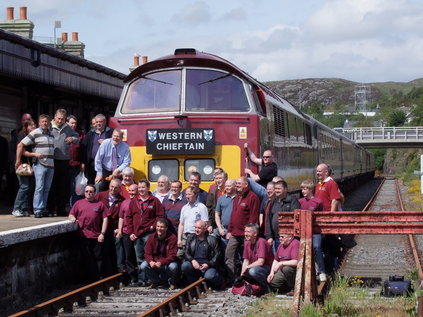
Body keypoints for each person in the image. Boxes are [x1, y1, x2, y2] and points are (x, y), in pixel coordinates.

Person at [125, 179, 164, 285]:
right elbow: (128, 217)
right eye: (140, 187)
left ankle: (152, 279)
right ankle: (142, 280)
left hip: (149, 233)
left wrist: (153, 226)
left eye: (143, 187)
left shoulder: (154, 201)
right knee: (139, 258)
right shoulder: (134, 201)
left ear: (148, 188)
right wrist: (130, 232)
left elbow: (160, 216)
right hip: (137, 234)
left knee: (150, 256)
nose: (141, 189)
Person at [16, 114, 54, 218]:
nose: (45, 123)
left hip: (51, 165)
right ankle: (37, 210)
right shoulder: (35, 133)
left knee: (46, 188)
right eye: (43, 121)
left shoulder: (51, 134)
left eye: (46, 121)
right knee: (39, 187)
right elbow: (20, 145)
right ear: (39, 122)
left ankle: (43, 208)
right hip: (40, 164)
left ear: (49, 122)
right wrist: (18, 160)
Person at [69, 184, 109, 281]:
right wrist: (73, 218)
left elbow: (105, 219)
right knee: (86, 257)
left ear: (94, 193)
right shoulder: (78, 203)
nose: (88, 193)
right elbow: (71, 214)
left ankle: (99, 276)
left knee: (98, 257)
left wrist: (102, 233)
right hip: (83, 235)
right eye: (87, 191)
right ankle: (87, 278)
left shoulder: (100, 204)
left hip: (96, 236)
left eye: (91, 191)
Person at [225, 176, 260, 283]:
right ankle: (232, 279)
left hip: (247, 234)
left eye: (239, 184)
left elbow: (253, 217)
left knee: (248, 257)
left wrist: (249, 232)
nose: (237, 186)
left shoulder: (253, 197)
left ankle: (248, 279)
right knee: (228, 255)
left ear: (246, 185)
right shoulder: (236, 197)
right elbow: (233, 215)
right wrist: (230, 230)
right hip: (235, 233)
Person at [48, 109, 79, 216]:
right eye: (58, 118)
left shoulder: (67, 128)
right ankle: (50, 209)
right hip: (51, 160)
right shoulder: (48, 127)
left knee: (62, 187)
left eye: (62, 119)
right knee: (51, 186)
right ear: (55, 116)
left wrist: (73, 139)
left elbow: (77, 137)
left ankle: (60, 209)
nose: (60, 121)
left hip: (64, 161)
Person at [181, 220, 224, 289]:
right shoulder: (191, 238)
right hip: (195, 265)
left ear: (204, 229)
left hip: (208, 266)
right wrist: (192, 260)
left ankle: (220, 282)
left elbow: (218, 255)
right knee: (185, 265)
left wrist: (208, 264)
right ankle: (195, 285)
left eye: (199, 228)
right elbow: (186, 252)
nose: (196, 230)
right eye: (195, 227)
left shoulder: (212, 239)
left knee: (210, 276)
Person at [95, 178, 125, 275]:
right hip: (100, 229)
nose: (113, 189)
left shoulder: (122, 200)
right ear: (109, 186)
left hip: (113, 229)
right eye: (112, 186)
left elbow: (123, 216)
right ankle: (101, 273)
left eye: (116, 188)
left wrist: (119, 229)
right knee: (101, 250)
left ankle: (119, 267)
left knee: (117, 243)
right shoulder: (100, 195)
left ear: (120, 189)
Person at [298, 180, 326, 282]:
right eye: (302, 189)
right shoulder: (300, 202)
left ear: (310, 189)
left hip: (315, 231)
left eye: (305, 189)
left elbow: (322, 217)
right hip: (304, 231)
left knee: (316, 247)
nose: (303, 191)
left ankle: (322, 271)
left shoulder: (318, 202)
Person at [141, 218, 179, 289]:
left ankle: (172, 283)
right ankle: (155, 281)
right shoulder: (151, 237)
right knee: (143, 265)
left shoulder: (172, 238)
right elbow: (147, 253)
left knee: (173, 266)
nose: (159, 229)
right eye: (158, 226)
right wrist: (151, 261)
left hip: (167, 262)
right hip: (155, 262)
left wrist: (161, 262)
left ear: (166, 228)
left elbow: (172, 255)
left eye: (161, 227)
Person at [266, 180, 300, 252]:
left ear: (285, 189)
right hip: (277, 237)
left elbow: (297, 218)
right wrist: (269, 236)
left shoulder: (293, 201)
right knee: (279, 257)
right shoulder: (273, 201)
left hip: (290, 238)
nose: (277, 191)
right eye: (275, 189)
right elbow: (268, 220)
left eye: (279, 189)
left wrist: (290, 235)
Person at [12, 119, 36, 217]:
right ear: (26, 126)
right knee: (24, 186)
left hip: (28, 164)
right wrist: (18, 161)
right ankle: (16, 208)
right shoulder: (22, 135)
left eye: (34, 125)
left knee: (28, 187)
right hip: (22, 164)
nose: (33, 127)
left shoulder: (32, 136)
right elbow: (20, 148)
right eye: (31, 125)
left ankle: (24, 209)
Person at [177, 186, 208, 259]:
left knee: (194, 256)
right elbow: (181, 224)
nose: (187, 196)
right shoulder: (184, 208)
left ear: (195, 194)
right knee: (180, 255)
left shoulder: (201, 207)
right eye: (186, 194)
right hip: (185, 236)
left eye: (189, 194)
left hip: (196, 236)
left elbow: (205, 223)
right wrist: (179, 239)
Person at [241, 223, 274, 291]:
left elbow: (261, 262)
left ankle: (267, 288)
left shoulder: (261, 242)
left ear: (255, 234)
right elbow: (246, 261)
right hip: (255, 267)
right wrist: (242, 275)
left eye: (248, 232)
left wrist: (247, 267)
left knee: (253, 271)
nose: (245, 234)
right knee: (246, 273)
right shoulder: (247, 243)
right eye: (245, 231)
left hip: (267, 268)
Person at [82, 114, 113, 184]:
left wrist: (105, 142)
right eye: (97, 122)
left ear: (105, 122)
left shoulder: (110, 132)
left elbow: (117, 144)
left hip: (105, 164)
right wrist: (83, 162)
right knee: (91, 182)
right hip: (91, 164)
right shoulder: (90, 133)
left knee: (103, 184)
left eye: (100, 122)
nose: (98, 123)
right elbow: (84, 148)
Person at [118, 183, 138, 283]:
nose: (131, 193)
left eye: (133, 190)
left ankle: (142, 277)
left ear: (137, 191)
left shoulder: (140, 202)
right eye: (129, 190)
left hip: (138, 233)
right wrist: (119, 230)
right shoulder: (124, 203)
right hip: (126, 232)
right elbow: (121, 217)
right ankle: (132, 278)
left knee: (139, 256)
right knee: (128, 256)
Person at [67, 115, 85, 207]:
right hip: (64, 164)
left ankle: (73, 206)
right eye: (71, 123)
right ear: (67, 123)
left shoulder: (80, 134)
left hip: (75, 164)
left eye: (75, 123)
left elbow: (83, 150)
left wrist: (82, 162)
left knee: (74, 187)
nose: (73, 125)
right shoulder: (63, 133)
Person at [214, 178, 237, 248]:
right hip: (224, 230)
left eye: (229, 186)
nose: (227, 188)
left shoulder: (239, 198)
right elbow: (217, 215)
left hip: (236, 232)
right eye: (226, 186)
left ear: (235, 186)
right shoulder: (221, 199)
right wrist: (220, 229)